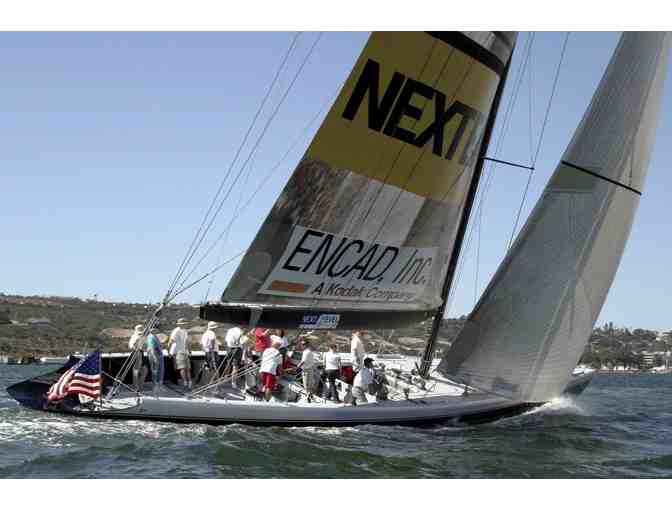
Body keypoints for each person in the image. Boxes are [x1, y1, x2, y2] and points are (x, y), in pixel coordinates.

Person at [169, 317, 192, 389]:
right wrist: (169, 351)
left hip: (184, 351)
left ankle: (189, 382)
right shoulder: (176, 331)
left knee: (187, 368)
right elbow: (171, 341)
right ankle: (185, 383)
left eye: (185, 323)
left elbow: (186, 341)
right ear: (179, 324)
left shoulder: (185, 331)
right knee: (182, 368)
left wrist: (189, 350)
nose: (184, 325)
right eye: (183, 324)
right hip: (178, 351)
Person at [146, 326, 164, 397]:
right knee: (155, 371)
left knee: (160, 371)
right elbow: (152, 348)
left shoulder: (154, 336)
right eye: (153, 328)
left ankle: (159, 386)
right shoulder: (151, 337)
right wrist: (154, 358)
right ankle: (155, 388)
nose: (155, 329)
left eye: (156, 328)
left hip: (159, 355)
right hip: (155, 356)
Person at [128, 324, 147, 391]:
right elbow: (130, 345)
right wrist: (136, 350)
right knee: (136, 369)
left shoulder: (143, 336)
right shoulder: (134, 336)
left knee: (144, 370)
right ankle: (136, 386)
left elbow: (144, 345)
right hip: (136, 353)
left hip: (141, 352)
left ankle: (140, 385)